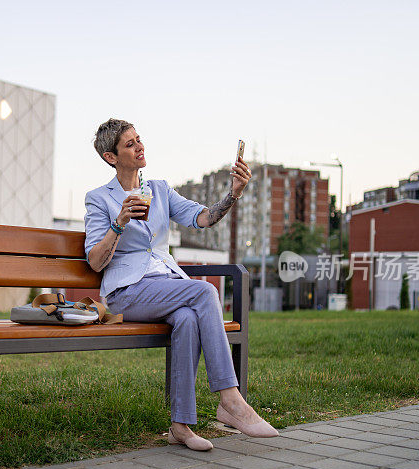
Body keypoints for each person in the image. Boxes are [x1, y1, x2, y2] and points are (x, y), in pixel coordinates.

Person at [84, 118, 278, 451]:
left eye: (139, 139)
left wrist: (233, 194)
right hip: (125, 293)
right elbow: (95, 261)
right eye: (129, 144)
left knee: (188, 319)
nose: (140, 146)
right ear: (111, 157)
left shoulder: (159, 190)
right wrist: (119, 223)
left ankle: (180, 426)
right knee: (205, 291)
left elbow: (203, 217)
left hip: (165, 286)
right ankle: (230, 400)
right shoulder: (99, 198)